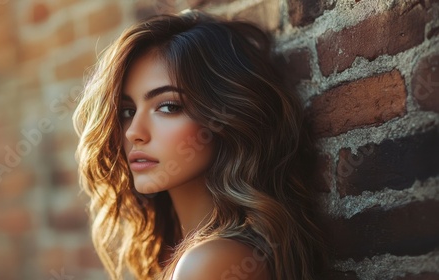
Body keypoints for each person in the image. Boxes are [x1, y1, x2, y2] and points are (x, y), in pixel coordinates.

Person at [73, 9, 326, 280]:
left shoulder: (209, 263)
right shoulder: (199, 255)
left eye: (168, 107)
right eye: (127, 111)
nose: (134, 132)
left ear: (224, 118)